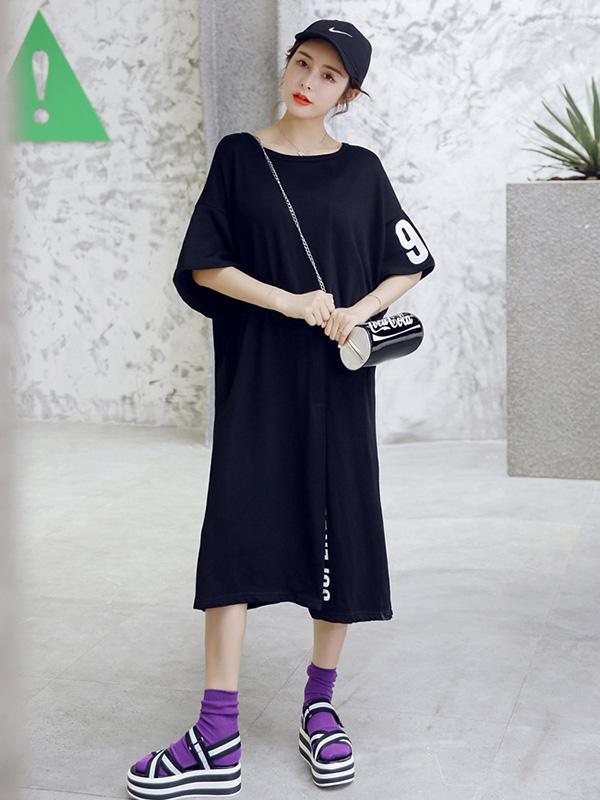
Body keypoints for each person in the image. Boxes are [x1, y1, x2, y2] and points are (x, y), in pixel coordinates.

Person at [126, 17, 435, 799]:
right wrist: (289, 302)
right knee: (236, 530)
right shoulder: (240, 157)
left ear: (348, 94)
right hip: (258, 374)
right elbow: (205, 265)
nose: (308, 81)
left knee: (339, 530)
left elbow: (413, 260)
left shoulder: (362, 171)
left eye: (329, 75)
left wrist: (357, 311)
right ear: (288, 64)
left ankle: (320, 708)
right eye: (302, 63)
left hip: (337, 379)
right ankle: (216, 734)